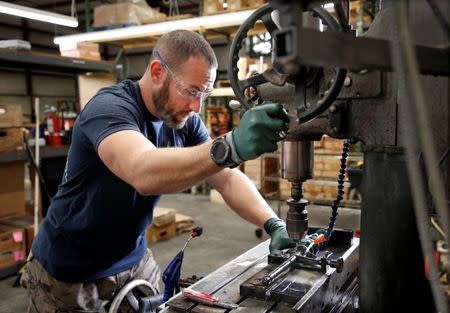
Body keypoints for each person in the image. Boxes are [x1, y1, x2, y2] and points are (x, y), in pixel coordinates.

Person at [21, 29, 295, 312]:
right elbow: (142, 172)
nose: (196, 107)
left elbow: (225, 177)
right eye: (191, 91)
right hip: (68, 273)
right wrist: (229, 146)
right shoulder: (109, 108)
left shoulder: (184, 120)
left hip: (133, 260)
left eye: (204, 93)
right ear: (156, 72)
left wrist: (272, 223)